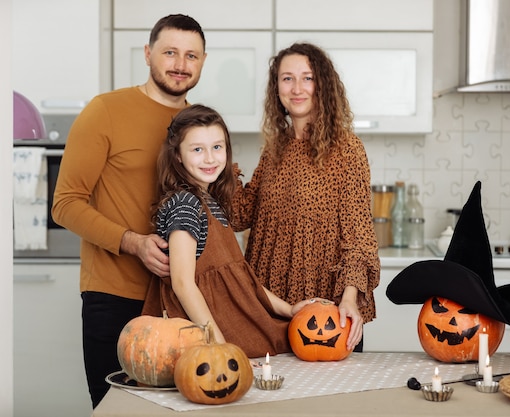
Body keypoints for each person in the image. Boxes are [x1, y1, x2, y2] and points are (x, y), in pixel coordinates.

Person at [51, 14, 207, 408]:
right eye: (169, 52)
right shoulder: (106, 110)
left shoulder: (198, 123)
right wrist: (132, 242)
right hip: (115, 296)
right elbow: (65, 203)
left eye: (191, 55)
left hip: (181, 299)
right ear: (147, 54)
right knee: (115, 410)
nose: (180, 64)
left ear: (203, 61)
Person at [231, 42, 381, 352]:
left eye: (307, 77)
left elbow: (359, 236)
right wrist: (216, 166)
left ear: (322, 86)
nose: (297, 88)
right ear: (277, 89)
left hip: (326, 315)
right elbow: (240, 216)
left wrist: (349, 299)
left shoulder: (346, 149)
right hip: (270, 308)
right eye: (287, 78)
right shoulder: (274, 150)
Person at [141, 104, 323, 358]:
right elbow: (182, 284)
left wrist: (290, 310)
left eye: (217, 147)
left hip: (230, 330)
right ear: (178, 156)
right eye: (197, 149)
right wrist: (217, 345)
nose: (210, 158)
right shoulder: (185, 204)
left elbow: (242, 280)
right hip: (201, 340)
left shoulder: (210, 201)